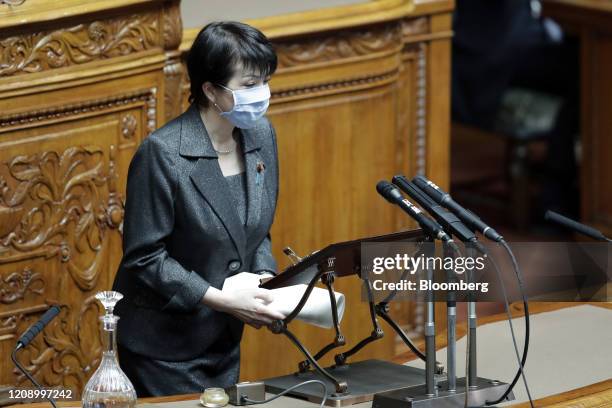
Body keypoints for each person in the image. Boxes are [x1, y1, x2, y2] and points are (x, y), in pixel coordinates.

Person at [111, 21, 286, 397]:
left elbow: (256, 229)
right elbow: (144, 257)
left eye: (266, 81)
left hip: (223, 337)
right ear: (210, 90)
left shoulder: (261, 135)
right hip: (164, 347)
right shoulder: (163, 153)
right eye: (250, 84)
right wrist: (224, 300)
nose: (263, 94)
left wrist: (266, 280)